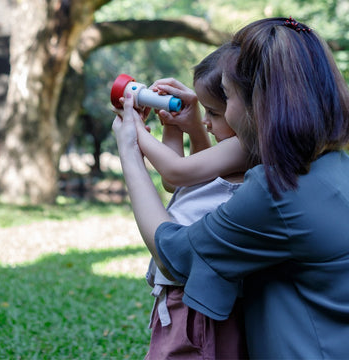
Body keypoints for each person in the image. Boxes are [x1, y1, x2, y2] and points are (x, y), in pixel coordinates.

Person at [113, 16, 349, 359]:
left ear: (259, 103)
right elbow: (204, 184)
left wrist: (130, 150)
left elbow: (175, 255)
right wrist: (193, 128)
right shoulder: (333, 166)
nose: (223, 111)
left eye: (228, 96)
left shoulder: (278, 190)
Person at [129, 45, 249, 359]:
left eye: (214, 112)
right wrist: (178, 126)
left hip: (194, 299)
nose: (208, 121)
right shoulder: (230, 149)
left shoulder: (244, 146)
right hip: (179, 294)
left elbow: (176, 171)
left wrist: (135, 133)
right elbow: (177, 185)